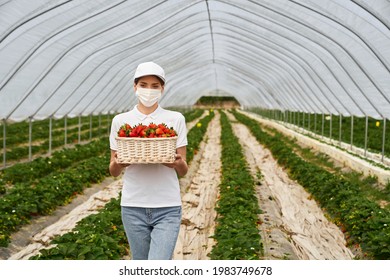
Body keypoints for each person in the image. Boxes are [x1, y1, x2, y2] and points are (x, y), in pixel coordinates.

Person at [109, 61, 188, 260]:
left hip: (167, 206)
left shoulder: (175, 119)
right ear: (135, 86)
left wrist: (176, 163)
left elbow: (184, 169)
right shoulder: (121, 121)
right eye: (143, 85)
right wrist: (119, 163)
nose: (149, 90)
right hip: (132, 206)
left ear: (162, 88)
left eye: (155, 86)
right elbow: (113, 170)